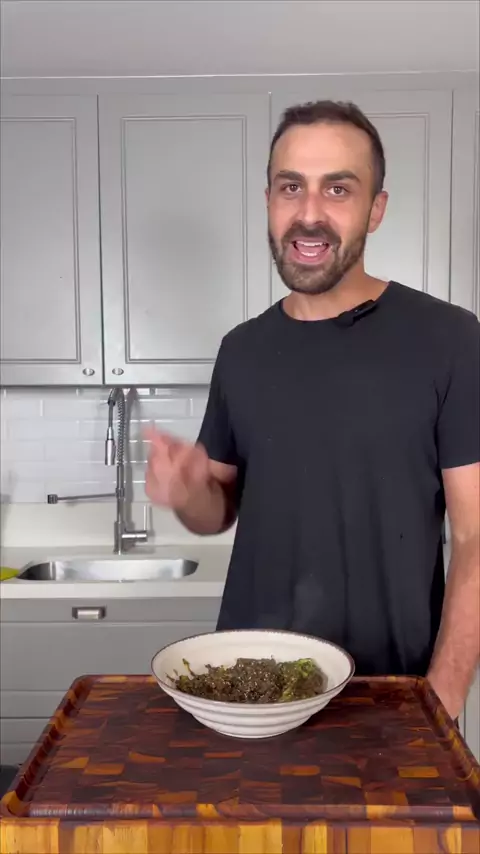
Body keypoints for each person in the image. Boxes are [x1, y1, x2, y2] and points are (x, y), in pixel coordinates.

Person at [146, 100, 480, 720]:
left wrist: (445, 690)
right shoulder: (241, 350)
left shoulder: (451, 340)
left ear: (376, 209)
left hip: (391, 696)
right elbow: (217, 511)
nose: (309, 213)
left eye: (338, 189)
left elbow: (475, 535)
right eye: (291, 186)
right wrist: (189, 492)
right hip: (249, 691)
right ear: (269, 200)